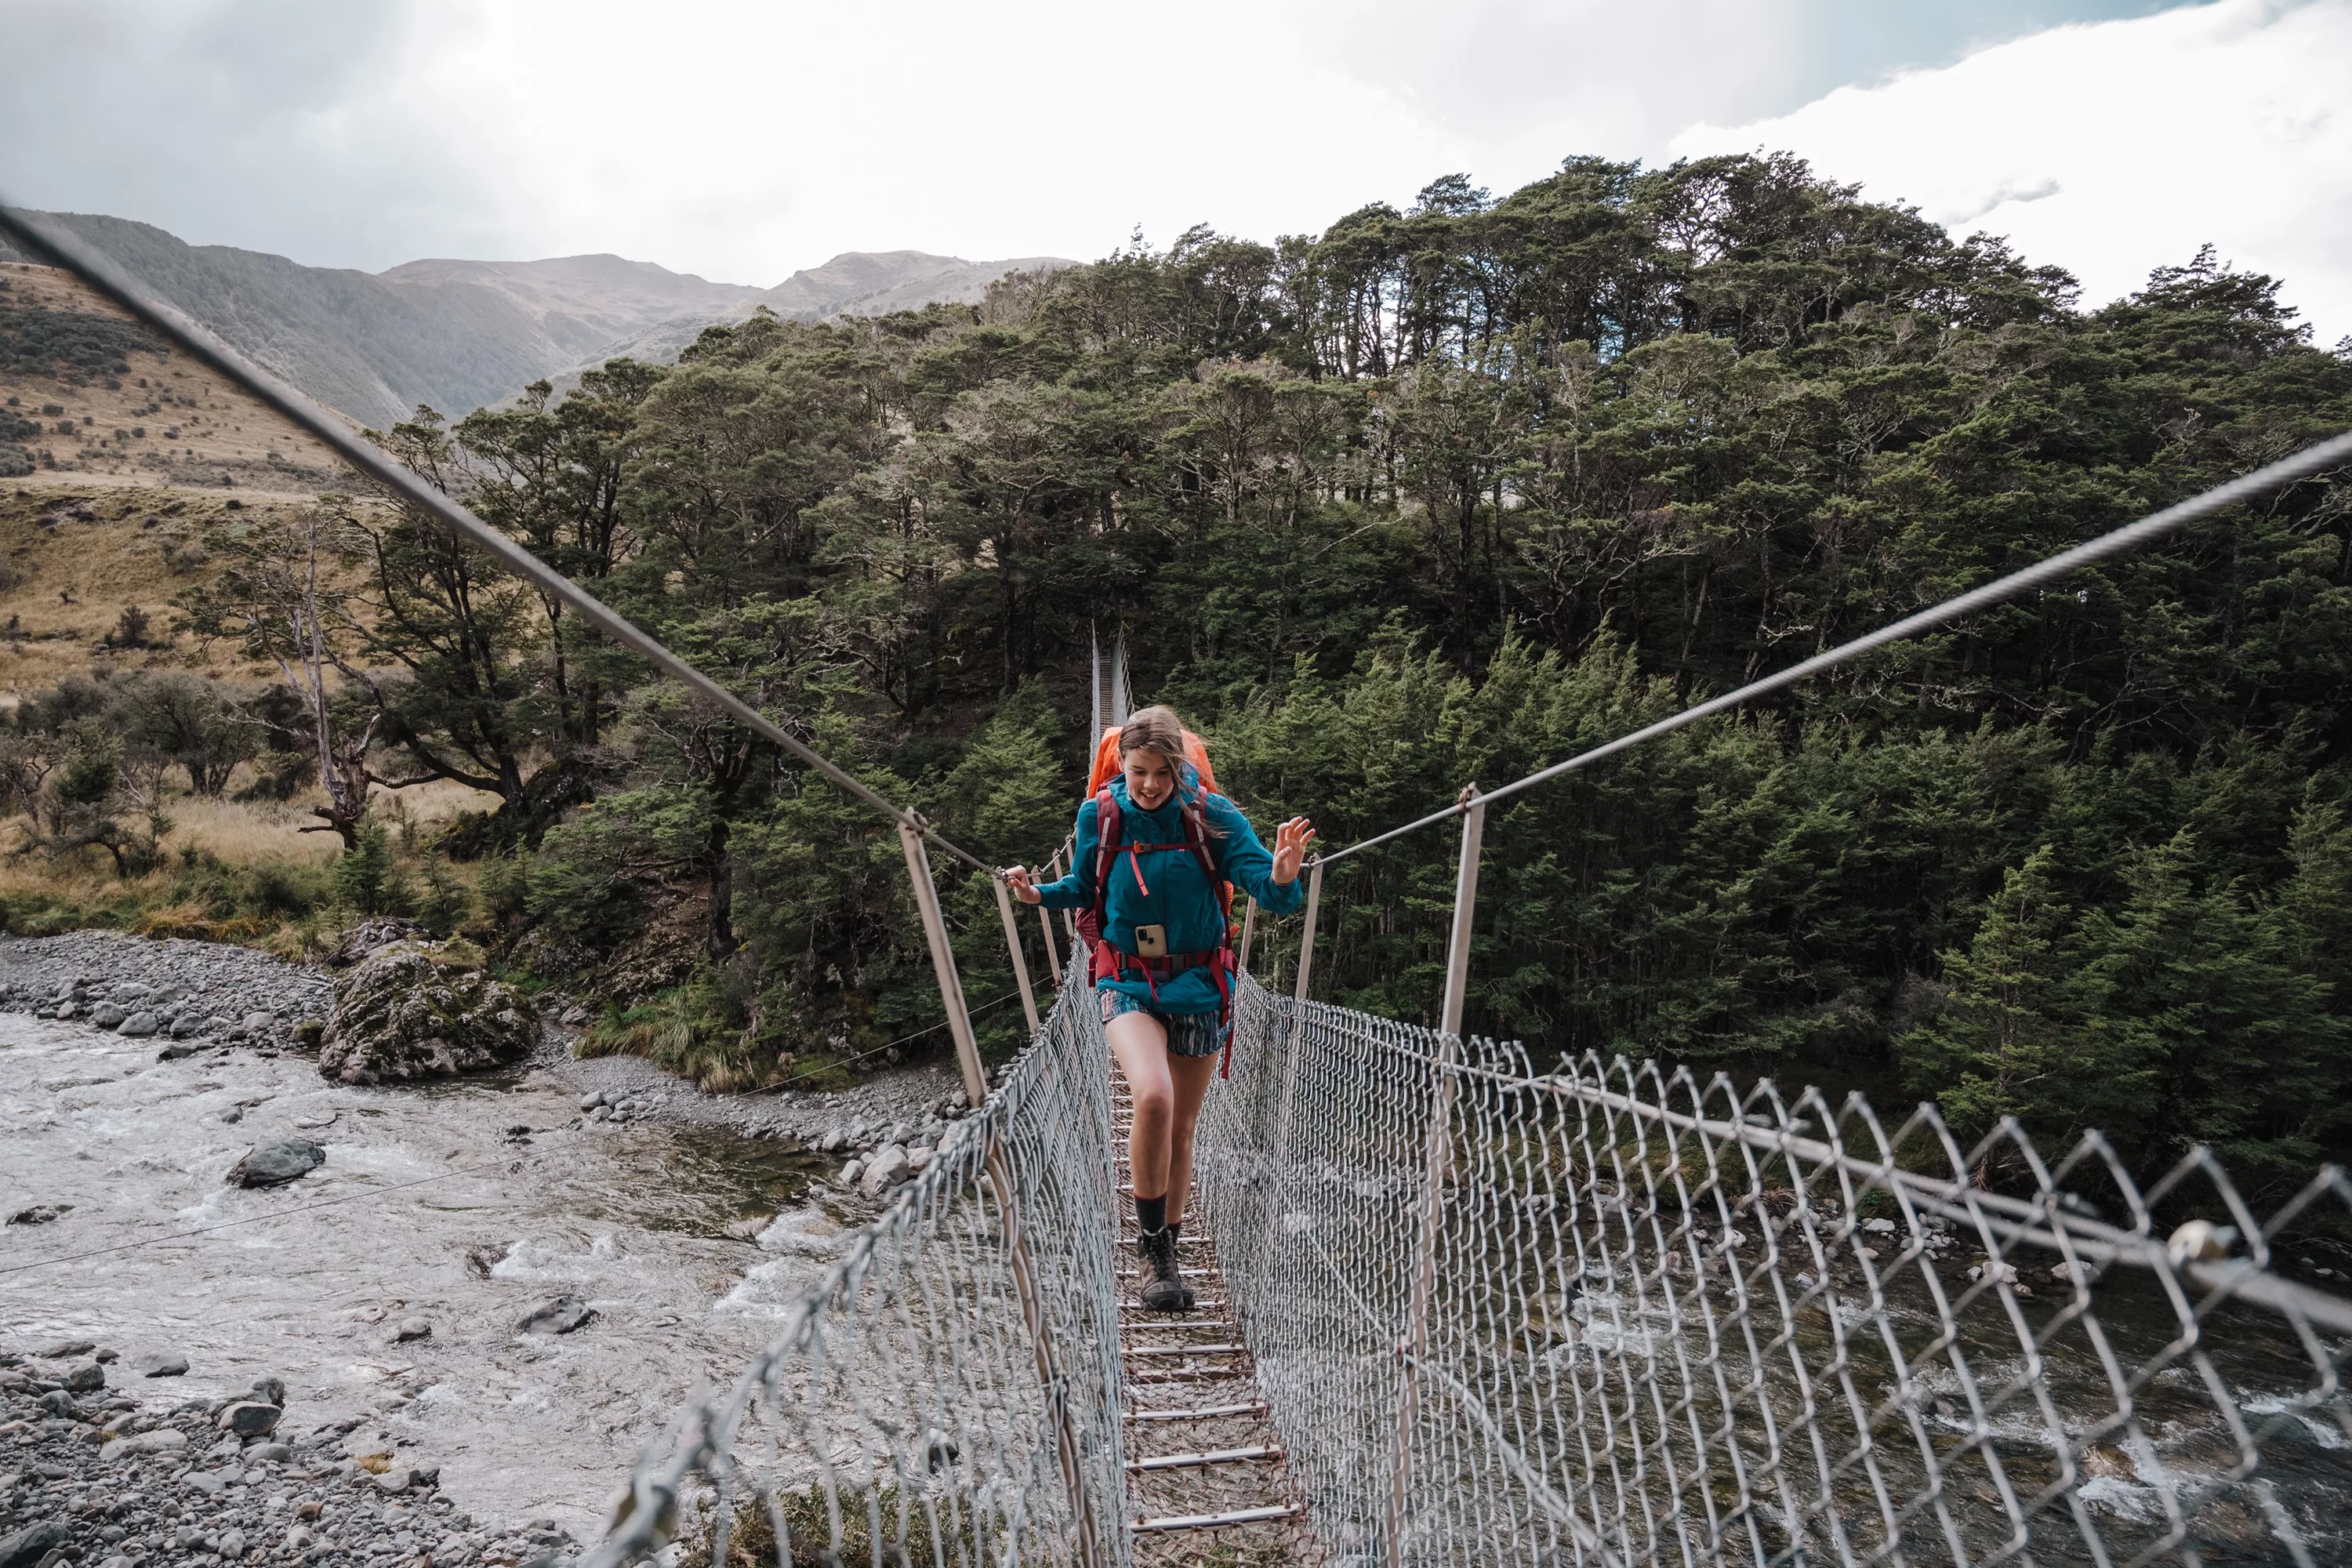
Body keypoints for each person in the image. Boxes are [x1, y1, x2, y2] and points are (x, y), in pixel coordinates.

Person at [1006, 705, 1312, 1312]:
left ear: (1178, 769)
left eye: (1160, 774)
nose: (1147, 785)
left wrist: (1282, 873)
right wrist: (1037, 892)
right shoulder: (1100, 813)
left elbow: (1270, 894)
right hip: (1127, 980)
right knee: (1152, 1096)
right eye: (1137, 771)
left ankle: (1167, 1247)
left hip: (1200, 983)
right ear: (1121, 765)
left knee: (1181, 1127)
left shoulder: (1214, 819)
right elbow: (1085, 889)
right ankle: (1153, 1252)